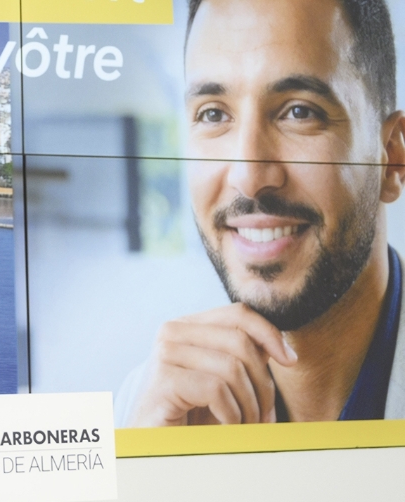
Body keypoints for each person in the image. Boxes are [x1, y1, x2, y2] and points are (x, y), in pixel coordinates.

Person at [116, 0, 405, 427]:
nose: (248, 176)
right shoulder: (145, 412)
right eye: (213, 114)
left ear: (391, 159)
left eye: (299, 112)